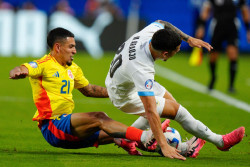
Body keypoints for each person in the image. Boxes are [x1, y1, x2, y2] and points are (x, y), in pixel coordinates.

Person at [105, 20, 245, 160]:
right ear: (165, 54)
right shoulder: (142, 68)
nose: (178, 51)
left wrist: (188, 39)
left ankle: (127, 140)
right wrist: (164, 145)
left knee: (171, 103)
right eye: (176, 51)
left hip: (125, 81)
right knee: (177, 112)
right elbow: (150, 110)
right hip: (124, 96)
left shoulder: (149, 35)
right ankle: (220, 141)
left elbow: (162, 23)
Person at [9, 27, 160, 157]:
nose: (75, 50)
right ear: (57, 47)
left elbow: (89, 90)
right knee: (99, 117)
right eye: (71, 46)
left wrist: (117, 93)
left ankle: (180, 147)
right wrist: (17, 72)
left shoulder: (73, 68)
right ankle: (144, 136)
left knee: (112, 128)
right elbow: (23, 68)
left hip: (67, 127)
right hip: (52, 125)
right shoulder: (44, 64)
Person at [195, 0, 250, 92]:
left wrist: (248, 29)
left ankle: (231, 85)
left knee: (233, 54)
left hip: (232, 27)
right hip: (217, 27)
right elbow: (206, 11)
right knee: (213, 56)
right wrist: (201, 26)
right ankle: (213, 77)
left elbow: (245, 11)